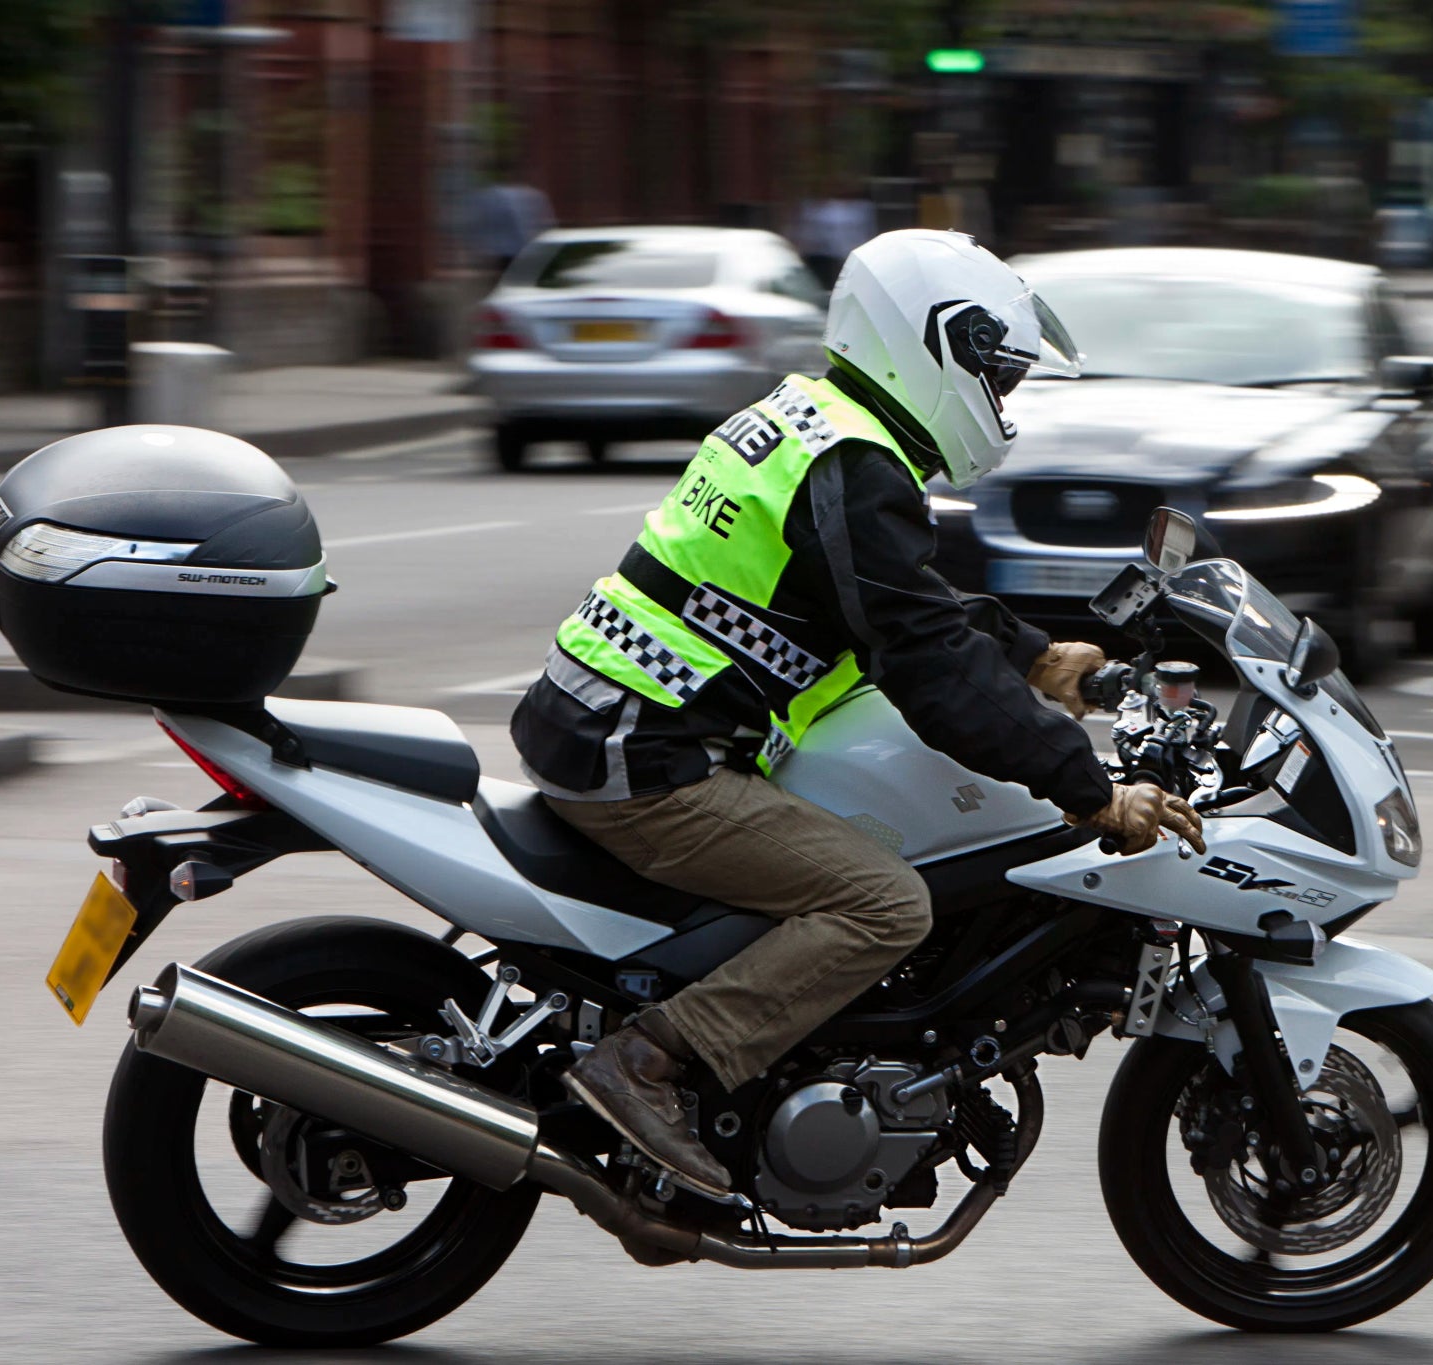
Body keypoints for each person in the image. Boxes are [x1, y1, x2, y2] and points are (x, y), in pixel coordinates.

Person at [509, 229, 1204, 1195]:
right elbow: (928, 665)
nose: (1002, 402)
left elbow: (888, 604)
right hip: (646, 756)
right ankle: (649, 1061)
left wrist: (1037, 658)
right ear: (933, 345)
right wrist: (1089, 791)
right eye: (998, 376)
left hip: (609, 721)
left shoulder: (817, 425)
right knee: (883, 902)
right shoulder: (856, 465)